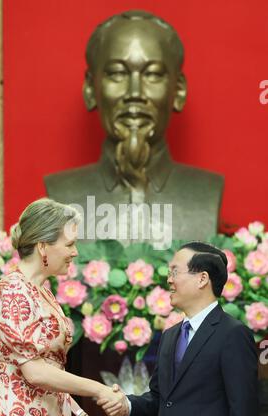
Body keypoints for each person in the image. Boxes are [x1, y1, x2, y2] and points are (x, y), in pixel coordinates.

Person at [45, 10, 224, 245]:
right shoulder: (61, 193)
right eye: (118, 73)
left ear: (178, 90)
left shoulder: (206, 191)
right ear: (90, 88)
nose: (135, 93)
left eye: (153, 74)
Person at [0, 198, 123, 416]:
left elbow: (48, 366)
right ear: (43, 246)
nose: (75, 252)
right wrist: (99, 390)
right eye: (69, 244)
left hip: (43, 415)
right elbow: (36, 372)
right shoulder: (14, 291)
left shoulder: (39, 290)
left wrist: (71, 410)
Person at [99, 242, 259, 416]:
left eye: (175, 271)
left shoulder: (232, 334)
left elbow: (243, 410)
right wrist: (126, 405)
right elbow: (160, 398)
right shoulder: (170, 336)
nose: (169, 279)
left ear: (202, 278)